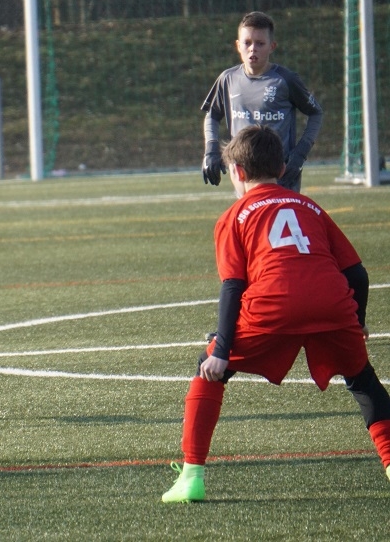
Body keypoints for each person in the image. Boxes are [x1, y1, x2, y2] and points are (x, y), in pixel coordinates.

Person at [162, 125, 390, 503]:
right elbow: (356, 274)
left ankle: (191, 477)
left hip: (273, 306)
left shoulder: (235, 215)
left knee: (209, 370)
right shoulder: (310, 207)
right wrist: (358, 321)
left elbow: (232, 286)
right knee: (363, 381)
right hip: (332, 305)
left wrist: (221, 350)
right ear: (282, 168)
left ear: (237, 172)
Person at [200, 11, 323, 193]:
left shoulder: (285, 80)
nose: (252, 49)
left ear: (272, 46)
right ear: (238, 45)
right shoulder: (228, 79)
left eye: (260, 43)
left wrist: (300, 154)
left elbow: (315, 113)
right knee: (249, 211)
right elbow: (212, 115)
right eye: (247, 43)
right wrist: (211, 150)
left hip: (280, 175)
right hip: (243, 175)